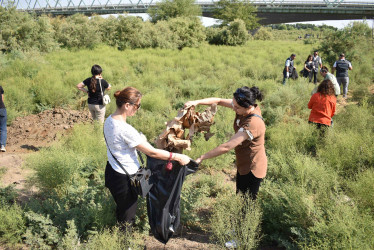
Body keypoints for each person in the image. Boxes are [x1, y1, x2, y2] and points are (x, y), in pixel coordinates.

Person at [103, 86, 190, 230]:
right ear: (127, 105)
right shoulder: (125, 129)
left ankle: (120, 236)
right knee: (127, 216)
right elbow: (152, 153)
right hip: (125, 178)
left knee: (121, 209)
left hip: (112, 171)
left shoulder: (109, 120)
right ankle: (126, 244)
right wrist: (177, 156)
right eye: (137, 105)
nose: (138, 109)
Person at [185, 86, 267, 200]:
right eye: (233, 104)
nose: (234, 108)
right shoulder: (242, 107)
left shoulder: (253, 123)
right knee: (240, 195)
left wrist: (202, 157)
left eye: (237, 107)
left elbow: (227, 146)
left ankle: (244, 217)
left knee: (247, 202)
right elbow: (218, 101)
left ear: (248, 106)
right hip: (243, 162)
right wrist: (196, 102)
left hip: (253, 167)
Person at [0, 85, 7, 152]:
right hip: (2, 108)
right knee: (3, 128)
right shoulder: (0, 87)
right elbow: (2, 98)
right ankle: (2, 146)